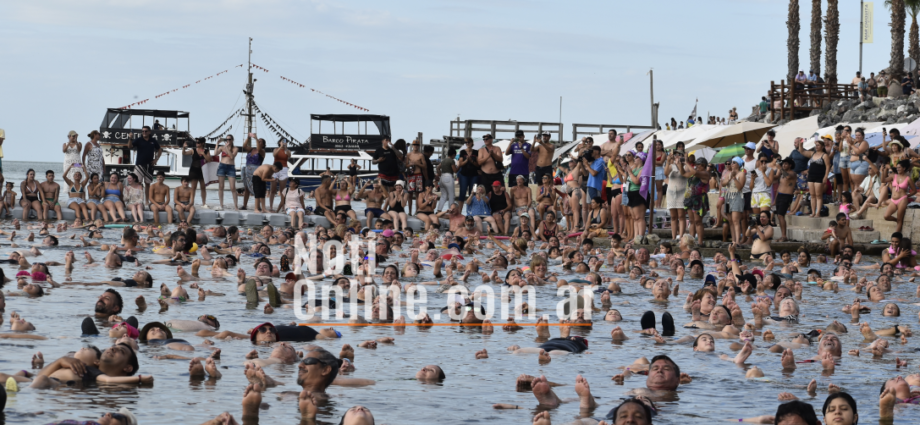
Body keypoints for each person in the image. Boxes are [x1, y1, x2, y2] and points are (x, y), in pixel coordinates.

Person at [795, 137, 830, 218]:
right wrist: (801, 144)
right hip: (811, 176)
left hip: (819, 176)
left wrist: (825, 176)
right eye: (816, 145)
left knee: (818, 195)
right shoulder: (812, 153)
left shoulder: (824, 155)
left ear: (822, 146)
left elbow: (828, 166)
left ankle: (818, 212)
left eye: (818, 145)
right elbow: (802, 151)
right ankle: (813, 212)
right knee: (812, 195)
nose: (816, 146)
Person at [127, 125, 162, 202]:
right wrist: (130, 138)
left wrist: (156, 159)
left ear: (149, 132)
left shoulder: (153, 140)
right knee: (138, 183)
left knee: (147, 184)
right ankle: (138, 200)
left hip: (150, 165)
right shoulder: (139, 140)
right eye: (143, 131)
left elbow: (159, 149)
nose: (144, 132)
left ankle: (146, 201)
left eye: (146, 131)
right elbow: (129, 146)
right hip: (139, 165)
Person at [683, 157, 711, 246]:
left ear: (704, 165)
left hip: (699, 199)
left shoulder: (705, 174)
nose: (697, 166)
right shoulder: (694, 173)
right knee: (692, 221)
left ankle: (700, 242)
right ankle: (691, 242)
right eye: (697, 164)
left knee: (698, 221)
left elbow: (695, 172)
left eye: (699, 164)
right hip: (690, 199)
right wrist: (679, 164)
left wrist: (686, 163)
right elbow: (683, 173)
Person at [884, 159, 915, 233]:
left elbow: (914, 191)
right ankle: (897, 221)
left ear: (904, 168)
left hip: (902, 199)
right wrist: (883, 171)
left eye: (899, 167)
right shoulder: (893, 176)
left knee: (899, 218)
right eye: (897, 167)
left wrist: (907, 195)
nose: (897, 169)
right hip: (893, 200)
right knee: (886, 216)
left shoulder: (908, 179)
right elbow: (883, 180)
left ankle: (896, 236)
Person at [722, 157, 746, 244]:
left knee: (735, 220)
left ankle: (737, 241)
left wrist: (734, 178)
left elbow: (740, 188)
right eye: (731, 162)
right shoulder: (728, 173)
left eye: (734, 162)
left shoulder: (742, 174)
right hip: (728, 197)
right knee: (730, 221)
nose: (731, 164)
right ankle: (733, 240)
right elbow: (723, 184)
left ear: (738, 165)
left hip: (737, 196)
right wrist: (729, 178)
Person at [181, 138, 211, 208]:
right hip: (194, 170)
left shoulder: (206, 151)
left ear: (202, 143)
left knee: (203, 187)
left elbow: (209, 160)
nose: (197, 143)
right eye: (196, 142)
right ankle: (192, 202)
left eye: (198, 142)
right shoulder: (193, 150)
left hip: (203, 170)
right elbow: (184, 153)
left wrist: (203, 154)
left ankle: (204, 203)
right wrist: (184, 148)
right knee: (193, 187)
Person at [665, 150, 687, 240]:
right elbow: (666, 173)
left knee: (681, 216)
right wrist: (668, 161)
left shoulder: (686, 166)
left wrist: (680, 164)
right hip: (671, 193)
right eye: (676, 155)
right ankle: (673, 237)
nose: (677, 156)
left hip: (682, 193)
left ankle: (681, 237)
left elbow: (683, 173)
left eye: (679, 154)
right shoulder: (671, 166)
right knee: (673, 217)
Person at [241, 133, 267, 210]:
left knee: (257, 188)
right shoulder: (252, 149)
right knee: (247, 188)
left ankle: (258, 206)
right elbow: (244, 146)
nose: (258, 141)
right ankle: (244, 205)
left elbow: (258, 149)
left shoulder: (262, 151)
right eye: (258, 141)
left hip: (256, 171)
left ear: (263, 145)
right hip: (247, 170)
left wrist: (256, 138)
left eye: (260, 141)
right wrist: (248, 138)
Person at [774, 158, 797, 242]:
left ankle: (784, 236)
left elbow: (788, 177)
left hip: (786, 196)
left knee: (780, 215)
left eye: (786, 164)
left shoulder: (793, 173)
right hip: (779, 195)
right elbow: (780, 186)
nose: (784, 165)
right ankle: (782, 235)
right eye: (783, 164)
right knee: (779, 216)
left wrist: (780, 168)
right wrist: (775, 199)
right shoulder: (782, 173)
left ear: (790, 165)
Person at [215, 135, 239, 210]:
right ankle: (221, 205)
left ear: (232, 140)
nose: (228, 140)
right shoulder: (222, 147)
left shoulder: (235, 148)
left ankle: (236, 206)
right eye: (226, 139)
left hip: (230, 167)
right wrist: (217, 144)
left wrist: (227, 148)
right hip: (222, 166)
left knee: (233, 187)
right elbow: (215, 153)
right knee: (221, 186)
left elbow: (232, 157)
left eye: (229, 139)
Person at [268, 139, 291, 210]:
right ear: (279, 142)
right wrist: (281, 147)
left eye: (285, 142)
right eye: (283, 141)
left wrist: (285, 148)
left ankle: (283, 207)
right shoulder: (276, 149)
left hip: (284, 169)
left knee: (282, 190)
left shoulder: (287, 150)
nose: (284, 143)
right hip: (275, 168)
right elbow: (274, 155)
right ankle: (271, 207)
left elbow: (289, 156)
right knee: (273, 189)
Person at [457, 137, 479, 202]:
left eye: (468, 142)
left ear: (472, 143)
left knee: (473, 192)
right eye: (466, 142)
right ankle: (460, 208)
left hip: (474, 175)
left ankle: (471, 207)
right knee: (462, 193)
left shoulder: (476, 152)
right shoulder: (462, 152)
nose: (467, 143)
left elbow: (478, 164)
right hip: (464, 174)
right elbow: (460, 164)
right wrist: (466, 160)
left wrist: (471, 161)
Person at [436, 147, 457, 212]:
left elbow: (438, 167)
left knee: (443, 196)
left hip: (442, 177)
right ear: (453, 155)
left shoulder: (443, 160)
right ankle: (451, 210)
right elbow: (455, 170)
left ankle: (439, 210)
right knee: (451, 195)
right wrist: (459, 166)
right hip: (449, 177)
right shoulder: (451, 161)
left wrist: (440, 174)